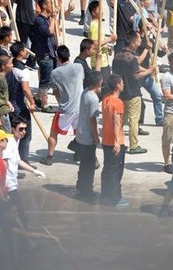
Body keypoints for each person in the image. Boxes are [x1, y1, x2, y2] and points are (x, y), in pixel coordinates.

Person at [45, 45, 84, 165]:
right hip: (80, 107)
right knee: (79, 133)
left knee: (53, 133)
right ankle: (84, 155)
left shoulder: (55, 73)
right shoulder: (78, 67)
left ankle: (50, 157)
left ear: (58, 57)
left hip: (65, 109)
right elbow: (81, 81)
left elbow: (56, 92)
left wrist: (60, 101)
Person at [2, 117, 45, 227]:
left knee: (12, 216)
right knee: (20, 215)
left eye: (25, 129)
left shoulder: (16, 141)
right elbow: (3, 163)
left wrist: (35, 171)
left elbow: (19, 160)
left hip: (12, 184)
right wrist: (3, 186)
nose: (24, 132)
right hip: (8, 186)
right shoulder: (9, 143)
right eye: (20, 129)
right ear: (13, 129)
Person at [100, 74, 129, 208]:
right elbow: (117, 122)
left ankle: (105, 195)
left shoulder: (106, 99)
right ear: (117, 85)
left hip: (106, 140)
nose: (123, 84)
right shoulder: (117, 102)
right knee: (116, 171)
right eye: (122, 82)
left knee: (107, 169)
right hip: (115, 142)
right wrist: (117, 141)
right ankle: (115, 198)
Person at [75, 70, 102, 198]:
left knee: (84, 163)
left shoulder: (85, 92)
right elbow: (93, 120)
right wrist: (96, 137)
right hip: (88, 136)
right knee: (89, 165)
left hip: (81, 133)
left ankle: (80, 185)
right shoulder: (93, 99)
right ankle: (87, 190)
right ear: (98, 82)